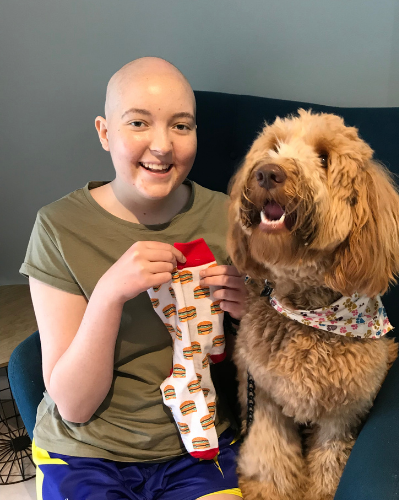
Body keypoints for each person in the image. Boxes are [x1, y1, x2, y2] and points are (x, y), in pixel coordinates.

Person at [20, 57, 247, 500]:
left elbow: (249, 360)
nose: (162, 145)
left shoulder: (228, 217)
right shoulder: (58, 228)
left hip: (199, 448)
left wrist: (252, 312)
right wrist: (107, 295)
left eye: (181, 126)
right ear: (105, 132)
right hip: (84, 452)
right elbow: (75, 406)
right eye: (139, 123)